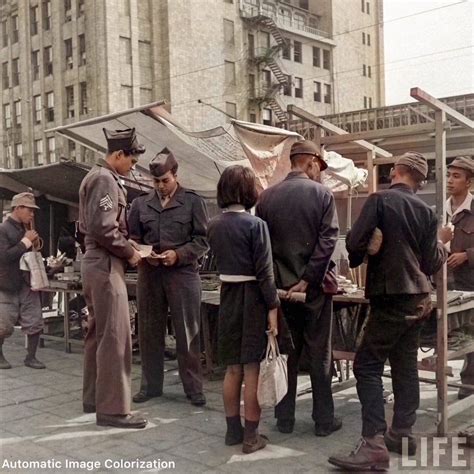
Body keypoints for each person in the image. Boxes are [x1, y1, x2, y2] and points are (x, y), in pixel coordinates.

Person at [329, 152, 448, 471]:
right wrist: (441, 243)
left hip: (390, 295)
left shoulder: (379, 201)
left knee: (366, 366)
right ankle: (402, 435)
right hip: (419, 296)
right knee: (405, 365)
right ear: (419, 179)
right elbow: (432, 263)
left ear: (395, 171)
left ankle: (373, 445)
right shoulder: (427, 211)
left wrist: (366, 246)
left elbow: (354, 243)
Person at [256, 140, 341, 436]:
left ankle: (285, 419)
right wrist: (308, 277)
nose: (320, 172)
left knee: (285, 355)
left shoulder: (266, 198)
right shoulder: (322, 195)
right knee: (320, 356)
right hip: (314, 290)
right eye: (320, 166)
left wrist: (279, 283)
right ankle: (323, 421)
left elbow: (262, 249)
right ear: (311, 162)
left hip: (280, 292)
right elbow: (328, 240)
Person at [128, 147, 209, 406]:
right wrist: (142, 252)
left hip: (182, 275)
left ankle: (194, 388)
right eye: (156, 182)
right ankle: (151, 386)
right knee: (149, 331)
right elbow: (133, 238)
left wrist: (179, 254)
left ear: (175, 175)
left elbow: (203, 241)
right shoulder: (140, 203)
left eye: (165, 181)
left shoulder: (194, 202)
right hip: (149, 275)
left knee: (188, 333)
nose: (161, 186)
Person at [207, 165, 279, 454]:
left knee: (232, 368)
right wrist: (273, 307)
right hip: (253, 297)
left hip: (227, 294)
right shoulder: (256, 225)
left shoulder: (213, 225)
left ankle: (232, 431)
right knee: (252, 369)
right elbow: (265, 272)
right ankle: (252, 436)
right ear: (249, 192)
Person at [79, 128, 147, 429]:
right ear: (118, 155)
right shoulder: (105, 179)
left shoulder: (97, 176)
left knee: (99, 334)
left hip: (96, 263)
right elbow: (104, 229)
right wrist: (131, 251)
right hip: (106, 264)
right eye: (131, 161)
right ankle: (114, 410)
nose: (132, 167)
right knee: (116, 337)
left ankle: (94, 399)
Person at [440, 156, 474, 399]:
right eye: (449, 175)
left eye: (456, 176)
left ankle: (469, 384)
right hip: (446, 281)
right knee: (453, 336)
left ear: (469, 182)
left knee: (472, 337)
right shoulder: (442, 209)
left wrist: (467, 255)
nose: (450, 181)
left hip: (470, 282)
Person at [0, 192, 45, 370]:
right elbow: (3, 256)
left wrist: (31, 241)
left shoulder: (25, 228)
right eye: (29, 210)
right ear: (18, 208)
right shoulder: (3, 229)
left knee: (34, 321)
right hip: (7, 284)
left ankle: (31, 357)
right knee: (3, 324)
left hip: (27, 283)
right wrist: (26, 242)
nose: (32, 214)